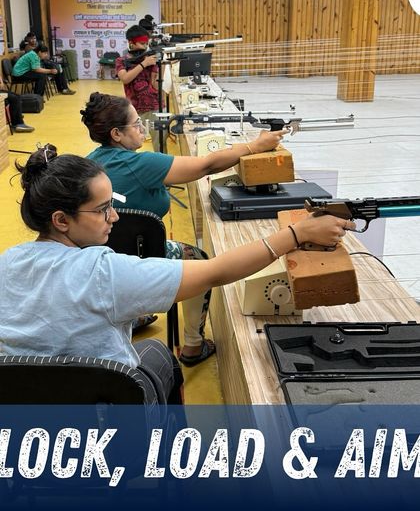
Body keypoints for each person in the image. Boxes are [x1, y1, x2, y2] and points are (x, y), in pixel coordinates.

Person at [0, 145, 352, 402]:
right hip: (103, 429)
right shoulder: (103, 273)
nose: (115, 218)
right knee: (157, 353)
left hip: (26, 427)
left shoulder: (8, 262)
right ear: (61, 220)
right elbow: (215, 272)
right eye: (102, 209)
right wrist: (298, 234)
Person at [82, 92, 350, 367]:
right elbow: (206, 166)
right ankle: (193, 345)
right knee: (198, 259)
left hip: (103, 263)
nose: (142, 129)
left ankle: (135, 313)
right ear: (116, 133)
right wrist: (253, 146)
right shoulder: (141, 164)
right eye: (136, 124)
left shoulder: (88, 164)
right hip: (144, 260)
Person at [115, 25, 163, 153]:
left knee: (160, 144)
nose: (144, 46)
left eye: (146, 43)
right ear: (131, 42)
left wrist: (160, 69)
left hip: (154, 106)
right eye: (142, 43)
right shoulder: (121, 61)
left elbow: (154, 84)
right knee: (130, 145)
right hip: (134, 108)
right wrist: (144, 64)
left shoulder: (149, 58)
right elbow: (125, 78)